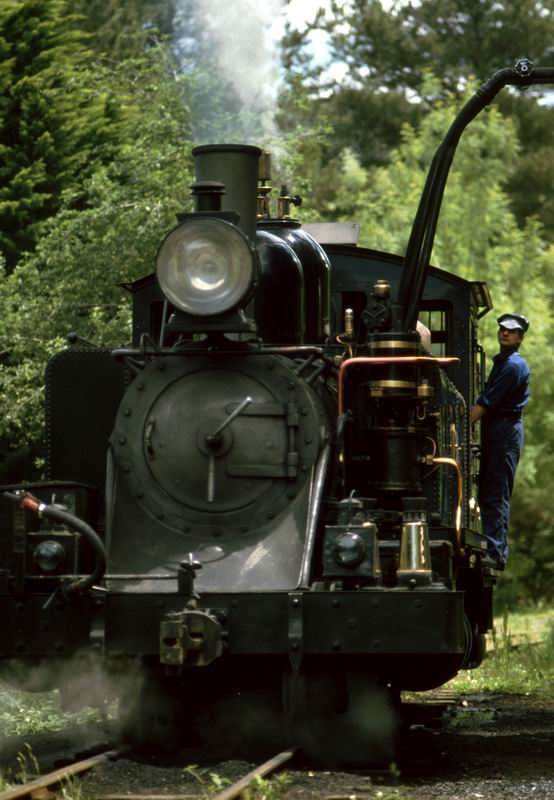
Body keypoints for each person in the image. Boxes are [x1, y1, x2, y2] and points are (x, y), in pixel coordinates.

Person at [470, 313, 530, 568]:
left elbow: (485, 403)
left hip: (504, 430)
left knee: (496, 492)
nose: (505, 333)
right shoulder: (504, 361)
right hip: (497, 428)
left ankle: (495, 553)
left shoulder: (513, 366)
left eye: (511, 331)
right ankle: (492, 549)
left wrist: (460, 424)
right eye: (503, 329)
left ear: (520, 337)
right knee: (489, 491)